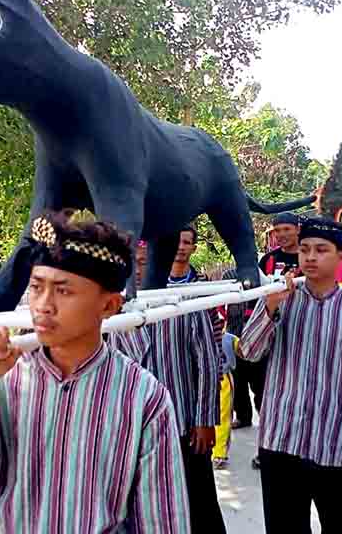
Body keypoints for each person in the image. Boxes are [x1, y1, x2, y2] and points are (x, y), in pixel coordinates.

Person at [0, 210, 191, 531]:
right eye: (37, 287)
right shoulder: (5, 381)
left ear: (108, 306)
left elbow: (163, 521)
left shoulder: (142, 398)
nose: (43, 305)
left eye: (63, 290)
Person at [240, 216, 342, 531]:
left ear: (341, 256)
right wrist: (269, 309)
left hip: (335, 443)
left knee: (339, 524)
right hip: (281, 440)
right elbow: (249, 351)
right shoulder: (280, 299)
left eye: (321, 250)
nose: (311, 257)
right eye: (305, 249)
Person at [112, 225, 226, 534]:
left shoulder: (183, 300)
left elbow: (207, 360)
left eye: (145, 263)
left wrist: (205, 419)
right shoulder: (111, 310)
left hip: (183, 424)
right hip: (132, 429)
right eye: (133, 263)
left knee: (199, 502)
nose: (139, 270)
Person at [232, 213, 300, 435]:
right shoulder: (268, 260)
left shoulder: (308, 258)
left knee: (278, 382)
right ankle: (246, 417)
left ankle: (276, 426)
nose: (281, 235)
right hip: (266, 322)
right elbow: (257, 293)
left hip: (296, 326)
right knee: (248, 371)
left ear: (298, 229)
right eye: (277, 230)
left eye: (286, 229)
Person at [212, 327, 240, 470]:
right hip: (206, 378)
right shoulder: (200, 331)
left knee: (223, 417)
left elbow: (245, 348)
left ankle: (220, 452)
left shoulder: (229, 338)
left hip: (223, 380)